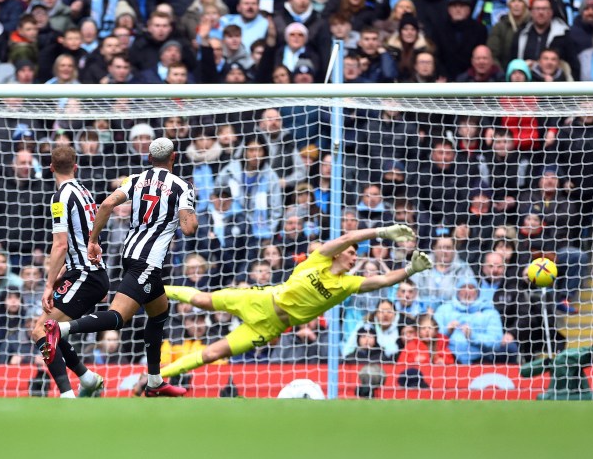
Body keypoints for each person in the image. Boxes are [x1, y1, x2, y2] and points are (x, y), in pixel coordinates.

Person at [160, 224, 432, 378]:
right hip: (258, 300)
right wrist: (382, 232)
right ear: (337, 254)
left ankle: (159, 378)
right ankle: (156, 288)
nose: (353, 257)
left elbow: (383, 281)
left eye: (355, 255)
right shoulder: (318, 259)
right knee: (203, 301)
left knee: (211, 354)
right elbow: (349, 237)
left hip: (267, 328)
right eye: (350, 253)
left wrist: (411, 270)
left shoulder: (348, 285)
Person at [43, 137, 198, 397]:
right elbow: (188, 228)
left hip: (130, 255)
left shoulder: (136, 179)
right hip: (147, 261)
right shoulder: (183, 187)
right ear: (174, 157)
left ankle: (154, 381)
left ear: (149, 158)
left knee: (159, 313)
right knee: (118, 318)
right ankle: (61, 329)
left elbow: (106, 204)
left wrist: (93, 241)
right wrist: (190, 210)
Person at [31, 146, 107, 398]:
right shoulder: (85, 192)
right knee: (53, 326)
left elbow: (61, 243)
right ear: (76, 165)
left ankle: (66, 395)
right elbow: (83, 239)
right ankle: (87, 378)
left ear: (51, 167)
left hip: (85, 275)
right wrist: (66, 270)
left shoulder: (60, 197)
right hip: (86, 271)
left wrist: (49, 284)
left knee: (40, 330)